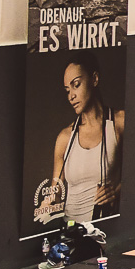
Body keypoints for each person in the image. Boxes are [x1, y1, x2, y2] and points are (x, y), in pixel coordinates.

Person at [50, 51, 125, 225]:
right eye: (67, 90)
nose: (71, 96)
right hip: (71, 231)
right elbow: (56, 191)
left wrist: (117, 191)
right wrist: (47, 202)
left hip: (105, 230)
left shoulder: (120, 122)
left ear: (94, 79)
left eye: (76, 85)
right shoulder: (65, 138)